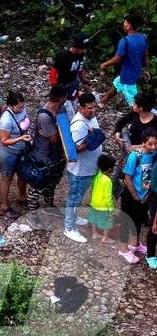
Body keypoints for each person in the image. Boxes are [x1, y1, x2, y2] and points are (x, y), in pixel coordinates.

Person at [65, 93, 104, 242]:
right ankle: (69, 227)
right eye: (89, 108)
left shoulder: (91, 117)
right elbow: (75, 149)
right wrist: (92, 138)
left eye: (94, 107)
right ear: (80, 108)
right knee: (74, 198)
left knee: (79, 197)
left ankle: (73, 218)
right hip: (79, 170)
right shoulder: (79, 125)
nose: (93, 110)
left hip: (90, 167)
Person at [28, 84, 67, 211]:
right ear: (61, 98)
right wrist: (58, 128)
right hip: (44, 158)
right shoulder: (44, 116)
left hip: (57, 156)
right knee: (37, 186)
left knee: (52, 183)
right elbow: (54, 139)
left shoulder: (61, 109)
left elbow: (65, 126)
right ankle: (32, 213)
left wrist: (56, 129)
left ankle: (49, 206)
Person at [119, 132, 157, 263]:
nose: (153, 147)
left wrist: (146, 195)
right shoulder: (135, 156)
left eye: (155, 143)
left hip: (145, 194)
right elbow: (127, 177)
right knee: (126, 221)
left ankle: (134, 243)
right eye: (150, 144)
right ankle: (123, 249)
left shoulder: (153, 154)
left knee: (138, 219)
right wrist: (135, 195)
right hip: (131, 194)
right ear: (143, 143)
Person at [0, 90, 33, 219]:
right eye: (19, 107)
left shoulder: (22, 110)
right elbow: (4, 141)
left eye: (23, 106)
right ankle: (4, 205)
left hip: (21, 149)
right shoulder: (6, 120)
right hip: (8, 152)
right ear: (11, 106)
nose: (22, 109)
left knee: (22, 174)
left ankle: (22, 197)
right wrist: (21, 139)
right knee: (7, 178)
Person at [100, 14, 149, 109]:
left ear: (129, 26)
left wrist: (104, 64)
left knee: (136, 105)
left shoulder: (125, 41)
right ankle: (103, 101)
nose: (123, 24)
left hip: (128, 77)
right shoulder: (144, 38)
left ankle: (150, 117)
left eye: (125, 22)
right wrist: (146, 70)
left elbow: (117, 59)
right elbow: (146, 55)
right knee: (117, 83)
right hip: (135, 72)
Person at [90, 154, 118, 243]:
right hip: (103, 206)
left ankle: (95, 233)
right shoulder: (108, 181)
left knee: (93, 219)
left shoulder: (97, 175)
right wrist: (111, 207)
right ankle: (105, 238)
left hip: (94, 203)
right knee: (108, 222)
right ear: (110, 169)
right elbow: (108, 196)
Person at [53, 33, 88, 101]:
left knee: (71, 102)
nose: (84, 51)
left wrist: (83, 79)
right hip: (63, 85)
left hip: (73, 84)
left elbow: (79, 68)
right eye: (83, 49)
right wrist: (54, 87)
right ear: (77, 47)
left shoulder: (80, 54)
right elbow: (54, 72)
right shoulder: (64, 57)